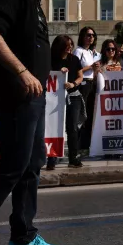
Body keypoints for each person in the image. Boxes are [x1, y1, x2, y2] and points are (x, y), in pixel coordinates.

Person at [0, 0, 65, 245]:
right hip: (14, 95)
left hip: (33, 97)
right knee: (13, 165)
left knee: (32, 162)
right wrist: (20, 71)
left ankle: (23, 236)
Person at [48, 35, 84, 170]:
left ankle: (73, 158)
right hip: (55, 98)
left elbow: (80, 76)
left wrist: (73, 83)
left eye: (71, 45)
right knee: (53, 127)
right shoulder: (50, 60)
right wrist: (58, 72)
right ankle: (52, 158)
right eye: (66, 45)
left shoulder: (74, 59)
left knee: (72, 128)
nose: (70, 48)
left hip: (73, 96)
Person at [74, 26, 101, 155]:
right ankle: (77, 145)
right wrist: (90, 67)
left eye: (93, 35)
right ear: (82, 37)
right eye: (88, 35)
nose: (91, 38)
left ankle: (85, 145)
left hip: (91, 84)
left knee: (89, 115)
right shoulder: (78, 51)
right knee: (81, 115)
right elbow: (76, 70)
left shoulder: (90, 52)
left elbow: (92, 71)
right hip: (82, 84)